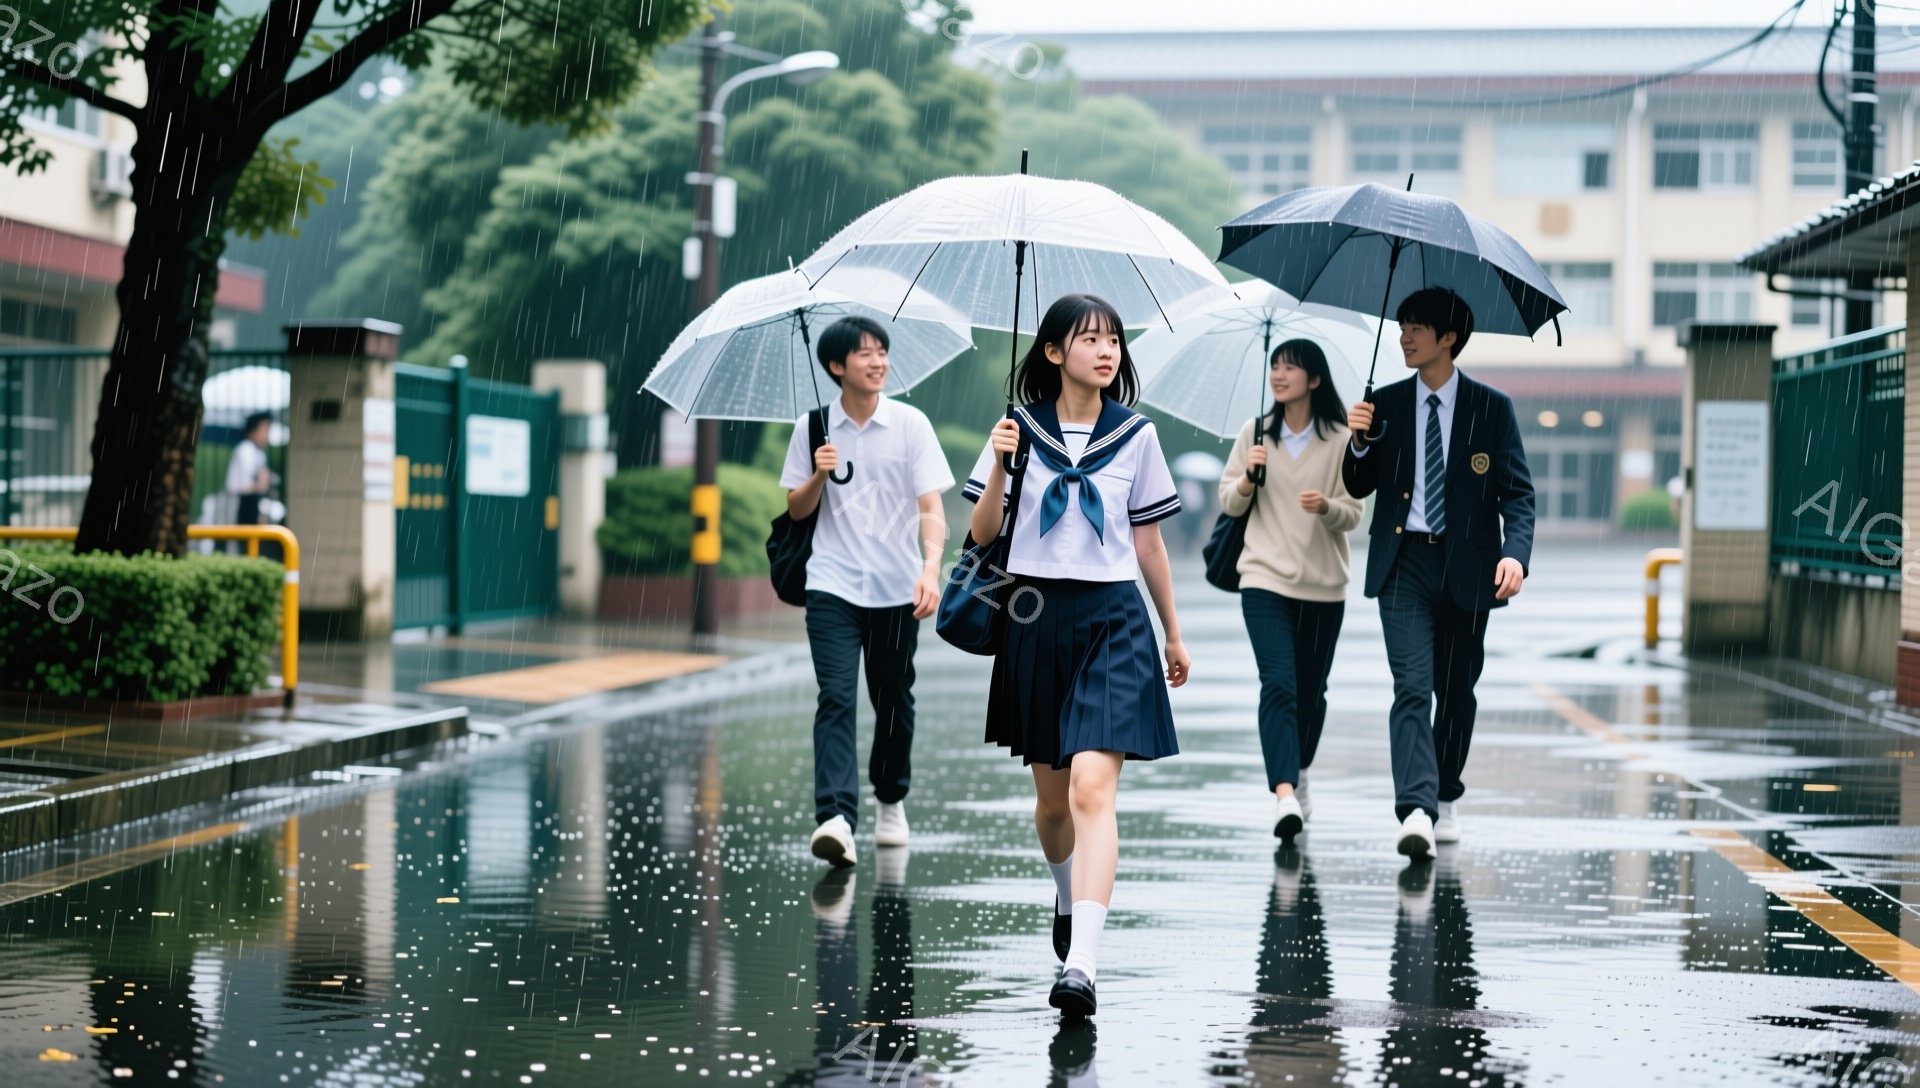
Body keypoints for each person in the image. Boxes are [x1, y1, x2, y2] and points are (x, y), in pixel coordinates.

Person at [963, 292, 1190, 1018]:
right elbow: (981, 534)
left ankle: (1083, 965)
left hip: (1114, 618)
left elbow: (1148, 541)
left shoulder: (1138, 436)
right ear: (1054, 352)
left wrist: (1172, 632)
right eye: (1090, 339)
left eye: (1115, 341)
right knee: (1053, 800)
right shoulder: (1016, 430)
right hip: (1034, 615)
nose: (1107, 351)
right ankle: (1068, 897)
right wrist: (1001, 466)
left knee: (1095, 787)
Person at [1342, 287, 1535, 860]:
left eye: (1416, 327)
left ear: (1449, 338)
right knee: (1411, 688)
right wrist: (1357, 441)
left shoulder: (1491, 408)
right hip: (1403, 564)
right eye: (1401, 325)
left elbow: (1518, 494)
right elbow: (1358, 485)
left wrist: (1515, 555)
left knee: (1455, 694)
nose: (1404, 335)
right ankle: (1417, 810)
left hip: (1469, 567)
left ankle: (1446, 791)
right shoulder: (1387, 404)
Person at [781, 316, 953, 869]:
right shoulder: (812, 429)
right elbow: (796, 509)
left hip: (897, 589)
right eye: (865, 354)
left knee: (894, 702)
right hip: (830, 584)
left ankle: (891, 797)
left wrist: (930, 570)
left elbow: (932, 507)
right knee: (836, 697)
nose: (878, 362)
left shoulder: (910, 424)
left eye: (882, 352)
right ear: (837, 366)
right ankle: (835, 817)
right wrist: (816, 475)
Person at [1218, 339, 1363, 844]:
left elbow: (1355, 514)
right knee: (1278, 683)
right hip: (1263, 578)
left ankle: (1298, 772)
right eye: (1275, 366)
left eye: (1291, 367)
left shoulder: (1343, 438)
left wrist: (1326, 506)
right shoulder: (1254, 435)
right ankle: (1283, 793)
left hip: (1324, 586)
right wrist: (1246, 481)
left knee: (1310, 692)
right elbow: (1229, 503)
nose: (1279, 375)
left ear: (1314, 380)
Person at [226, 411, 275, 527]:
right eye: (265, 430)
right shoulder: (245, 449)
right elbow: (256, 484)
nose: (268, 434)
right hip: (242, 504)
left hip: (251, 503)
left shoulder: (258, 452)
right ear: (253, 430)